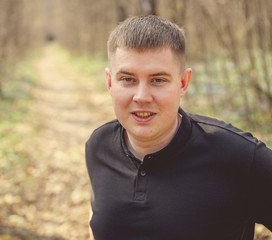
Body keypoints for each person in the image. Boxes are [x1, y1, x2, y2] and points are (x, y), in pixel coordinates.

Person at [85, 15, 272, 240]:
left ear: (183, 83)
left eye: (158, 80)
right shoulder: (99, 146)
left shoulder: (240, 156)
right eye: (127, 79)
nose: (142, 96)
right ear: (109, 82)